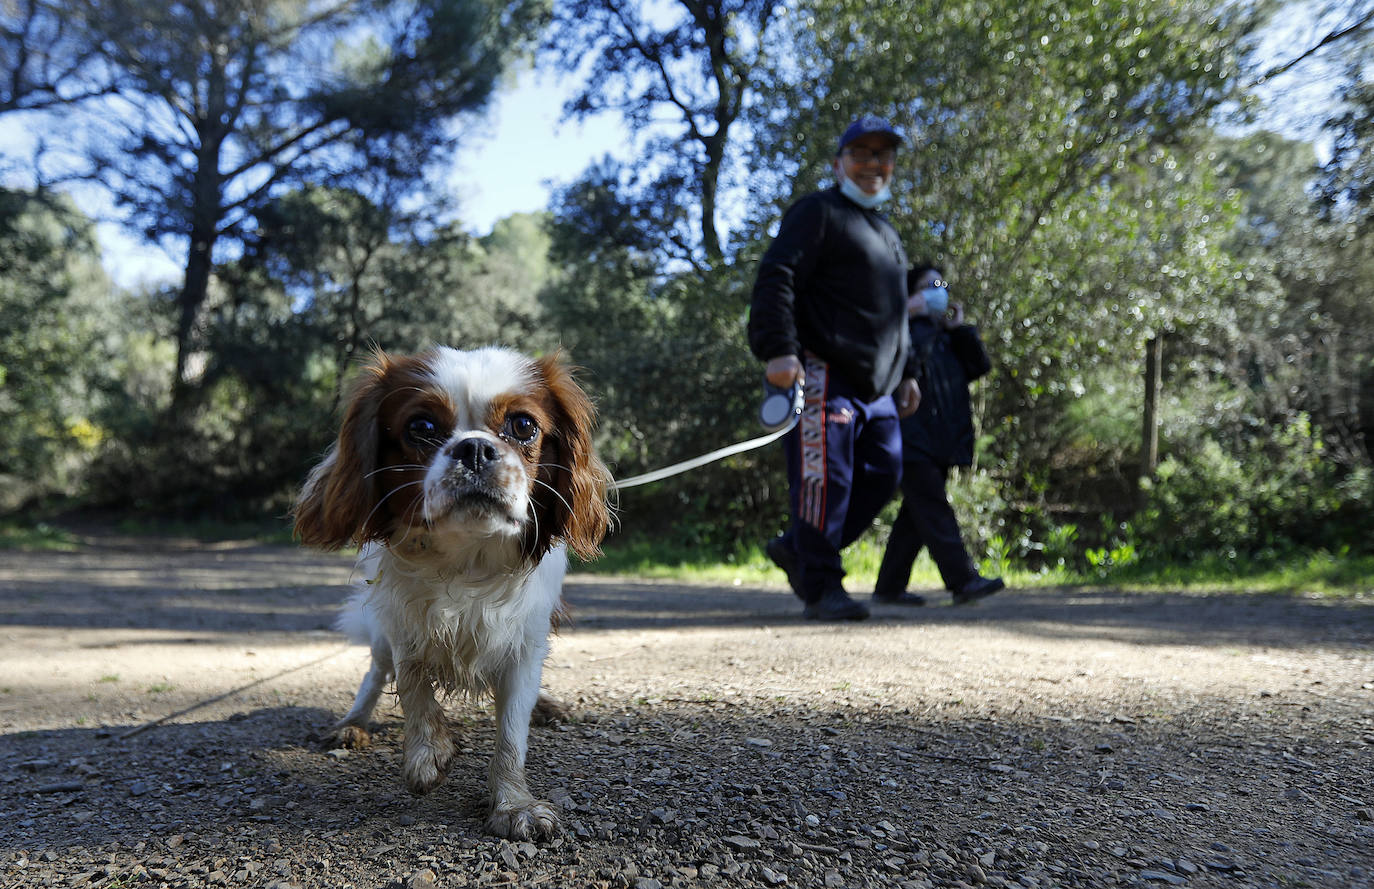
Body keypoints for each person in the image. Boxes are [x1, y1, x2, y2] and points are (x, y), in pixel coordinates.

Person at [748, 115, 922, 622]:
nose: (873, 163)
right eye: (861, 153)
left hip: (881, 386)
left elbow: (894, 312)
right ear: (838, 162)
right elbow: (776, 275)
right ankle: (822, 585)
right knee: (826, 480)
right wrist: (779, 350)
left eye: (882, 155)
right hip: (823, 370)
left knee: (884, 474)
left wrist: (908, 370)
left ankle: (796, 549)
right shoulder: (817, 211)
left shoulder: (887, 231)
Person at [874, 264, 1005, 606]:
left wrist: (959, 329)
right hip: (910, 436)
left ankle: (888, 586)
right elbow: (888, 357)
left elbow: (979, 366)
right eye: (927, 285)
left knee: (916, 516)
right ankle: (963, 580)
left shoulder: (948, 338)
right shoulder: (902, 331)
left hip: (943, 440)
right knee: (933, 508)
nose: (936, 289)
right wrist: (906, 314)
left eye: (940, 283)